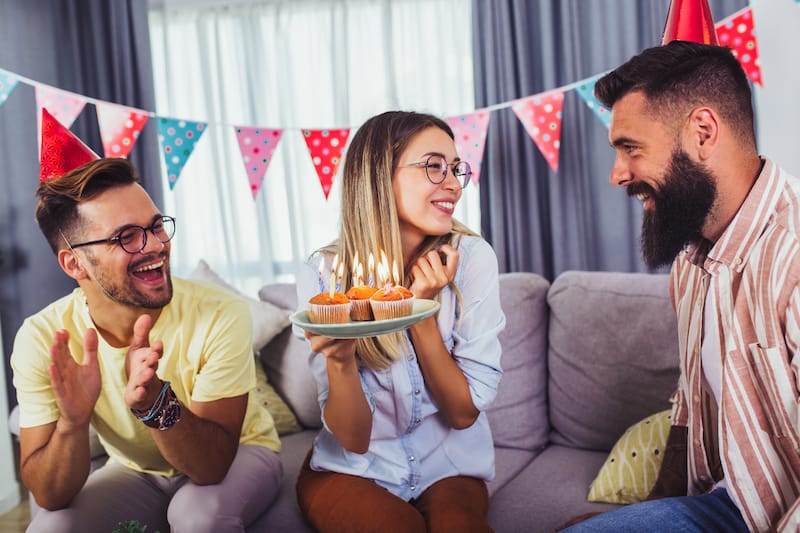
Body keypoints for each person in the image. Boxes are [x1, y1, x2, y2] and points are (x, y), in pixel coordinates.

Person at [561, 41, 800, 532]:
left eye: (630, 148)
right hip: (734, 505)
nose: (617, 174)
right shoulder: (690, 263)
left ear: (703, 133)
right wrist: (646, 515)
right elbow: (688, 410)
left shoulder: (792, 256)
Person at [11, 114, 282, 532]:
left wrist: (157, 404)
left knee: (196, 516)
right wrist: (72, 422)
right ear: (74, 263)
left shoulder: (221, 313)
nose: (156, 246)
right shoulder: (41, 338)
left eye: (156, 226)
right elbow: (49, 496)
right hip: (138, 469)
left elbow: (211, 467)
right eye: (126, 236)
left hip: (243, 453)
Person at [294, 111, 506, 532]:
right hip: (354, 466)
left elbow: (463, 414)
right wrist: (339, 361)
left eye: (455, 168)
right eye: (434, 166)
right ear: (378, 177)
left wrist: (421, 311)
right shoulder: (325, 275)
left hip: (448, 463)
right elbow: (353, 439)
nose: (453, 184)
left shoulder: (472, 259)